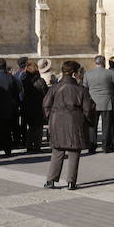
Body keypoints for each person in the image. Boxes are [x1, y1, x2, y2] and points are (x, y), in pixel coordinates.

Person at [43, 61, 95, 190]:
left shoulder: (54, 88)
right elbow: (88, 109)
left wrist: (51, 117)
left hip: (57, 122)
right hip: (75, 123)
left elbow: (45, 105)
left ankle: (51, 180)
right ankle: (71, 182)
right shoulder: (81, 90)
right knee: (74, 151)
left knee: (57, 150)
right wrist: (88, 121)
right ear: (74, 73)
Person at [83, 55, 114, 154]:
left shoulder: (88, 74)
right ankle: (106, 147)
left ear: (95, 62)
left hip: (93, 103)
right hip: (107, 102)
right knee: (107, 126)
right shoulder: (110, 73)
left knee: (92, 126)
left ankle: (92, 147)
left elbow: (85, 88)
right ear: (104, 62)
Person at [21, 61, 48, 152]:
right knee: (39, 128)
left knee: (31, 127)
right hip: (38, 107)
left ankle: (29, 146)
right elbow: (46, 94)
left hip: (27, 107)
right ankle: (37, 146)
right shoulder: (40, 81)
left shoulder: (24, 81)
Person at [13, 57, 29, 146]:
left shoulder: (16, 74)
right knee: (24, 121)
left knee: (18, 122)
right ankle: (24, 139)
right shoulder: (24, 74)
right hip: (23, 100)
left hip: (17, 100)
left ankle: (18, 139)